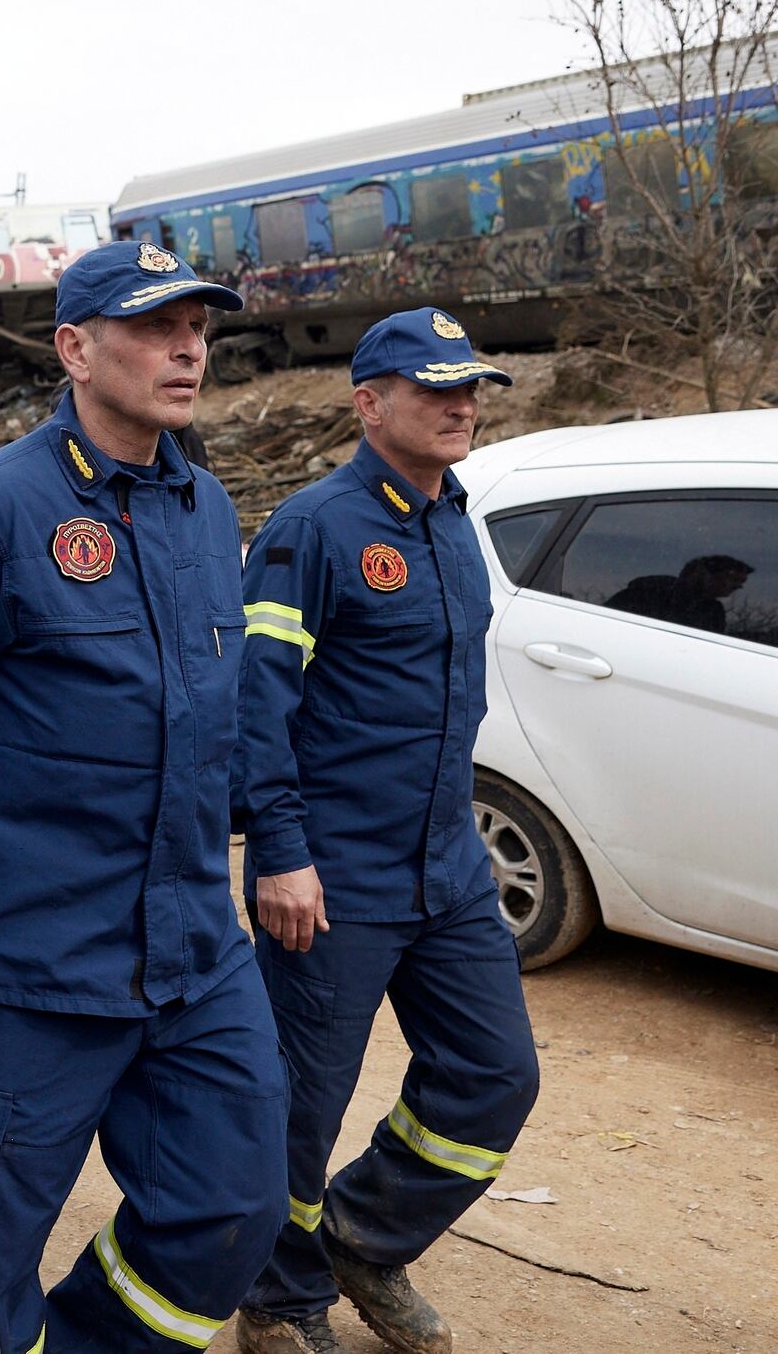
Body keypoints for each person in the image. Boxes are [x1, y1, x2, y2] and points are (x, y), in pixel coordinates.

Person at [0, 239, 287, 1354]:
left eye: (198, 328)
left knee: (235, 1204)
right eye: (157, 327)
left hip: (193, 950)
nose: (188, 348)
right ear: (73, 348)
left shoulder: (206, 507)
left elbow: (225, 708)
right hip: (30, 964)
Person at [233, 308, 541, 1354]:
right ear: (369, 404)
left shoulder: (456, 519)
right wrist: (278, 851)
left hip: (447, 870)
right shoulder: (313, 530)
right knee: (297, 1106)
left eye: (471, 389)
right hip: (334, 874)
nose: (461, 406)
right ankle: (277, 1299)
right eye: (434, 388)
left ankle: (362, 1235)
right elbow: (255, 706)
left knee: (494, 1074)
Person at [605, 554, 752, 634]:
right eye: (733, 579)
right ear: (701, 574)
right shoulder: (643, 596)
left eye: (741, 582)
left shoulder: (713, 611)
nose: (738, 586)